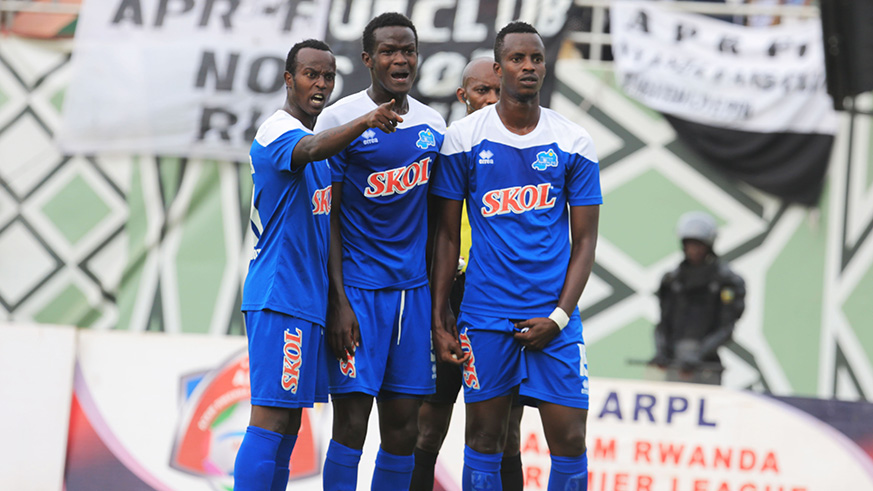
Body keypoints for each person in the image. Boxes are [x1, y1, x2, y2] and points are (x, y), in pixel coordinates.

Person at [430, 21, 601, 491]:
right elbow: (446, 237)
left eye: (536, 59)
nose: (528, 67)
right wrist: (441, 318)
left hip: (554, 319)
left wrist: (561, 316)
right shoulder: (463, 139)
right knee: (486, 437)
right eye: (517, 59)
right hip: (484, 316)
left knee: (569, 438)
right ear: (499, 66)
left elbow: (585, 242)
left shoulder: (573, 141)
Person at [233, 39, 402, 491]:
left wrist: (336, 300)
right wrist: (364, 119)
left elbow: (325, 226)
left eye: (328, 76)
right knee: (269, 417)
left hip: (308, 301)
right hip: (279, 295)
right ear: (289, 79)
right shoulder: (277, 132)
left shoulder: (322, 159)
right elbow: (309, 149)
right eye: (311, 74)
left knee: (288, 425)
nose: (321, 84)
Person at [313, 12, 446, 491]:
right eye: (389, 51)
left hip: (411, 297)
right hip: (359, 295)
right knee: (351, 423)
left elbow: (438, 222)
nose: (400, 59)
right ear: (368, 59)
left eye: (408, 50)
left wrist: (437, 305)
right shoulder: (338, 119)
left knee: (404, 429)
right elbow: (325, 215)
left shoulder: (434, 124)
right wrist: (338, 300)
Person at [411, 57, 525, 491]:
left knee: (505, 430)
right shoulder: (444, 149)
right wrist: (436, 308)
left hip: (502, 297)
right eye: (483, 91)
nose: (493, 100)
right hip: (448, 295)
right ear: (463, 96)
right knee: (429, 423)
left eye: (499, 92)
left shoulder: (525, 152)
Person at [649, 211, 746, 385]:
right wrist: (661, 352)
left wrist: (699, 355)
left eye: (699, 244)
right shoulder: (672, 281)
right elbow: (663, 324)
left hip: (707, 368)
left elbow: (726, 328)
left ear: (709, 245)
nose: (694, 250)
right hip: (674, 366)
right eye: (690, 244)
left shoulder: (727, 282)